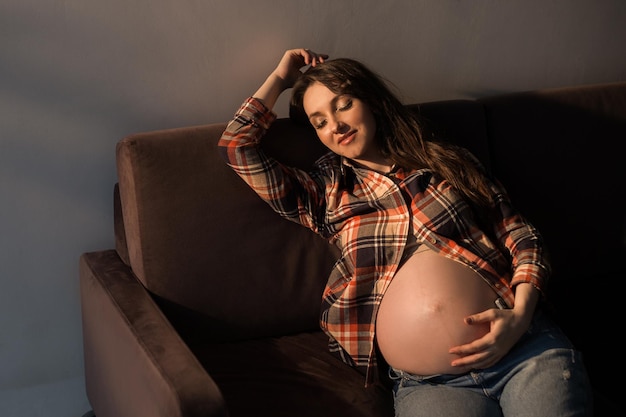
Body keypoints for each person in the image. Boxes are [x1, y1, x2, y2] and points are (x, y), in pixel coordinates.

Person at [218, 48, 593, 416]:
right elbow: (236, 146)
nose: (335, 125)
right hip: (430, 384)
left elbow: (521, 236)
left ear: (372, 102)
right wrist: (281, 79)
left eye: (343, 104)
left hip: (522, 352)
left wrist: (522, 315)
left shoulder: (446, 163)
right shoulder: (323, 193)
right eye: (319, 121)